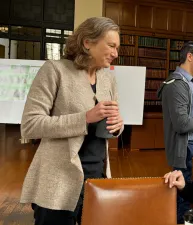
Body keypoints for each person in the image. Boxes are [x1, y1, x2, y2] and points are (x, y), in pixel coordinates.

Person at [19, 17, 124, 225]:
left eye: (117, 47)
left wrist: (118, 126)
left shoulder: (108, 78)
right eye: (111, 45)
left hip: (97, 177)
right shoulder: (55, 70)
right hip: (57, 180)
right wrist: (84, 118)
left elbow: (111, 122)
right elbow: (30, 124)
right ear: (87, 42)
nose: (116, 53)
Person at [157, 41, 193, 224]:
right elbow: (181, 125)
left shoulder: (186, 82)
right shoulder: (178, 85)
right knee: (184, 196)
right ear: (190, 56)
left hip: (192, 146)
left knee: (189, 193)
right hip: (187, 148)